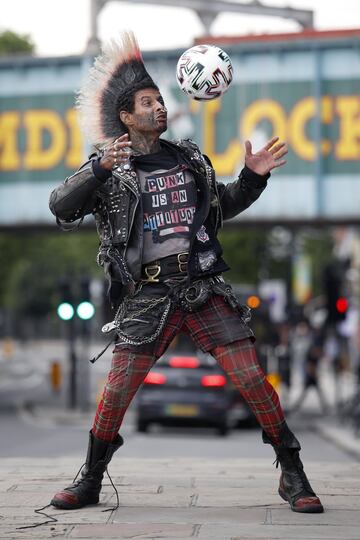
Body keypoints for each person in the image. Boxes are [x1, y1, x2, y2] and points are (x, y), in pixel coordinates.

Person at [49, 31, 323, 514]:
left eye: (160, 100)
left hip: (202, 286)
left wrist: (253, 177)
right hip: (147, 297)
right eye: (147, 101)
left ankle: (293, 474)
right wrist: (96, 170)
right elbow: (60, 207)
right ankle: (90, 478)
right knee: (117, 391)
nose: (159, 107)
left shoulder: (190, 159)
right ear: (126, 117)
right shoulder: (109, 168)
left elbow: (222, 209)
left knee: (252, 378)